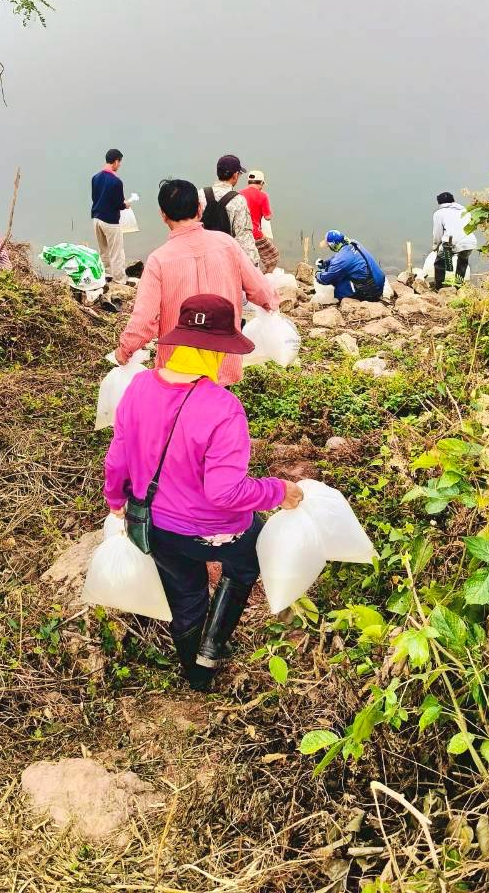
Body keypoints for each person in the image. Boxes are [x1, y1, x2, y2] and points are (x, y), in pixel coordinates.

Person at [105, 293, 304, 690]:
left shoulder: (138, 388)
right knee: (246, 561)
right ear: (217, 350)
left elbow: (117, 460)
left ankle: (193, 673)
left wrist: (115, 503)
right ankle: (211, 651)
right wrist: (279, 490)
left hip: (157, 527)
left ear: (179, 343)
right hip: (215, 530)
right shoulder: (223, 407)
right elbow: (226, 494)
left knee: (186, 593)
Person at [115, 179, 278, 386]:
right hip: (222, 363)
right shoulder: (227, 244)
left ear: (163, 215)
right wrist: (271, 303)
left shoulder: (159, 260)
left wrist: (125, 350)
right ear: (200, 209)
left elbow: (145, 320)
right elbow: (260, 290)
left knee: (182, 417)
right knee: (219, 413)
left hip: (178, 368)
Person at [199, 154, 260, 268]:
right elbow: (244, 238)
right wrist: (254, 266)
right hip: (225, 263)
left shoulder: (200, 194)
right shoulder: (238, 200)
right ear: (235, 175)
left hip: (202, 259)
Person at [91, 149, 130, 285]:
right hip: (110, 222)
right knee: (116, 253)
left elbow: (94, 198)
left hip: (96, 218)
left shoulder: (95, 178)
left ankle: (106, 275)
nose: (119, 166)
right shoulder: (116, 182)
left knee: (104, 251)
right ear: (116, 161)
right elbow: (119, 204)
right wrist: (127, 204)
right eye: (119, 163)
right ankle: (120, 280)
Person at [315, 230, 386, 302]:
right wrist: (325, 263)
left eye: (329, 246)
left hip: (371, 291)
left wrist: (317, 274)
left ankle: (366, 297)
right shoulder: (353, 242)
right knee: (343, 272)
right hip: (380, 281)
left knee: (336, 287)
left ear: (333, 245)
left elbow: (325, 279)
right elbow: (338, 258)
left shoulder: (342, 259)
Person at [432, 191, 477, 290]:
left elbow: (437, 234)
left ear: (439, 203)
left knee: (439, 262)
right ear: (454, 201)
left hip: (451, 243)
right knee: (463, 262)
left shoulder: (438, 213)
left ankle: (439, 288)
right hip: (469, 242)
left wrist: (435, 246)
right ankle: (458, 287)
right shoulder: (464, 210)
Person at [241, 169, 279, 274]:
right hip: (255, 233)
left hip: (240, 234)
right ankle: (263, 278)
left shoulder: (238, 194)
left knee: (247, 259)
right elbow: (267, 217)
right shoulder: (263, 196)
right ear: (261, 183)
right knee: (273, 257)